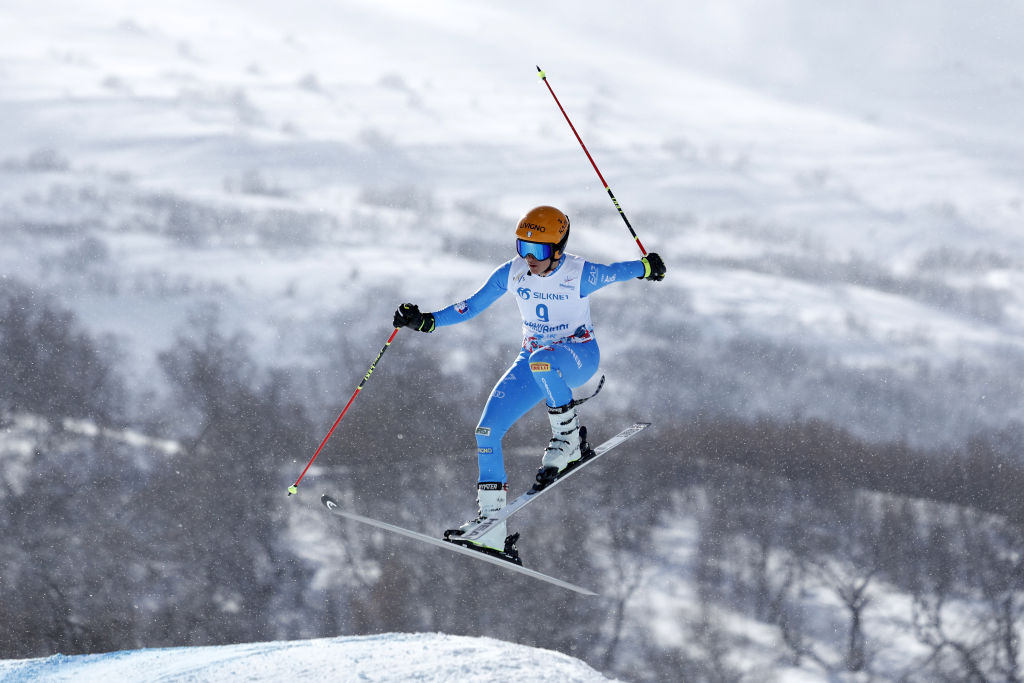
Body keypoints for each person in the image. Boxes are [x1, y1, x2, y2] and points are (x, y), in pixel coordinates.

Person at [393, 205, 665, 561]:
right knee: (486, 432)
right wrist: (426, 321)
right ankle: (491, 527)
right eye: (522, 247)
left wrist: (647, 267)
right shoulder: (513, 273)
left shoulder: (578, 273)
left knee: (542, 360)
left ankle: (568, 440)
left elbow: (618, 271)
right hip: (534, 362)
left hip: (577, 357)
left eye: (537, 251)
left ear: (558, 249)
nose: (529, 258)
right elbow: (470, 307)